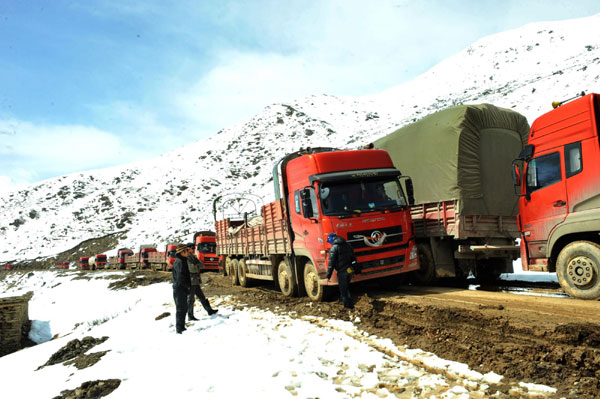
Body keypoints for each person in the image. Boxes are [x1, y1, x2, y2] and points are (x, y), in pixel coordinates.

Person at [326, 232, 360, 309]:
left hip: (342, 272)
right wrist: (356, 269)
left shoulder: (334, 248)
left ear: (331, 239)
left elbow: (331, 264)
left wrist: (328, 276)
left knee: (343, 291)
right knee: (347, 287)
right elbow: (353, 259)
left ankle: (348, 308)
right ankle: (350, 304)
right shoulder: (348, 245)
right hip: (349, 270)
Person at [185, 242, 218, 320]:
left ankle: (209, 310)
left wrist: (197, 265)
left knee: (202, 297)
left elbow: (201, 264)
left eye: (194, 248)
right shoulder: (187, 258)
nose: (194, 250)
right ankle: (190, 316)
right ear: (188, 249)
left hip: (195, 281)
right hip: (190, 282)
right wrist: (196, 266)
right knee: (191, 300)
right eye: (192, 248)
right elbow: (192, 269)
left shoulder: (193, 257)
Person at [172, 244, 192, 334]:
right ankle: (179, 328)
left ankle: (182, 327)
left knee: (183, 308)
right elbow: (181, 277)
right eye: (187, 251)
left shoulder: (182, 261)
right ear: (182, 252)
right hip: (180, 288)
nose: (188, 252)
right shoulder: (180, 262)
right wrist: (186, 287)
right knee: (181, 308)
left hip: (181, 288)